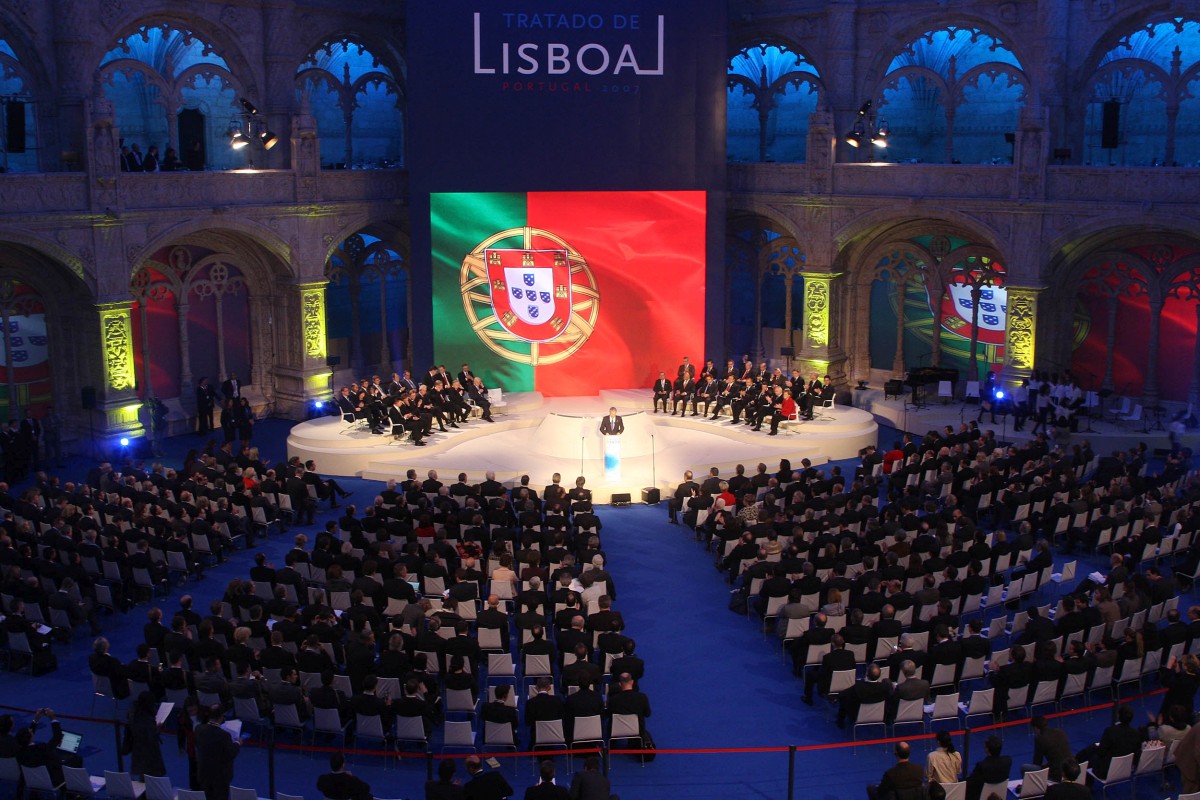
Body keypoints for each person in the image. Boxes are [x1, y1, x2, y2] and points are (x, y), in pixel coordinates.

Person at [194, 704, 241, 800]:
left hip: (204, 773)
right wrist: (237, 743)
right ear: (221, 717)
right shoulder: (224, 735)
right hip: (220, 777)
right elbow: (230, 754)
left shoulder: (198, 729)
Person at [126, 690, 167, 778]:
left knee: (143, 776)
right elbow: (151, 737)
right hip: (149, 754)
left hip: (137, 750)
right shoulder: (146, 720)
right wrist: (158, 728)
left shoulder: (134, 712)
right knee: (152, 778)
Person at [1024, 716, 1072, 783]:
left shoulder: (1039, 738)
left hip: (1057, 774)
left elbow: (1037, 762)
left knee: (1024, 767)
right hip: (1070, 769)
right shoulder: (1060, 732)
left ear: (1035, 728)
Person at [966, 736, 1012, 800]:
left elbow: (970, 783)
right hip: (999, 795)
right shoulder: (1008, 761)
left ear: (987, 749)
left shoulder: (982, 766)